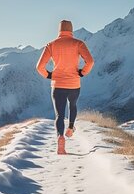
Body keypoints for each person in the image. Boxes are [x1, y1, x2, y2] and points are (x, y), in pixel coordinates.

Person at [36, 20, 94, 154]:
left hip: (58, 84)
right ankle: (71, 128)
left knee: (59, 115)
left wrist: (49, 75)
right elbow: (90, 61)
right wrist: (82, 72)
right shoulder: (78, 43)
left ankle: (60, 138)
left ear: (59, 30)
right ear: (71, 30)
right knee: (72, 105)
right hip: (74, 84)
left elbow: (39, 67)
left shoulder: (51, 45)